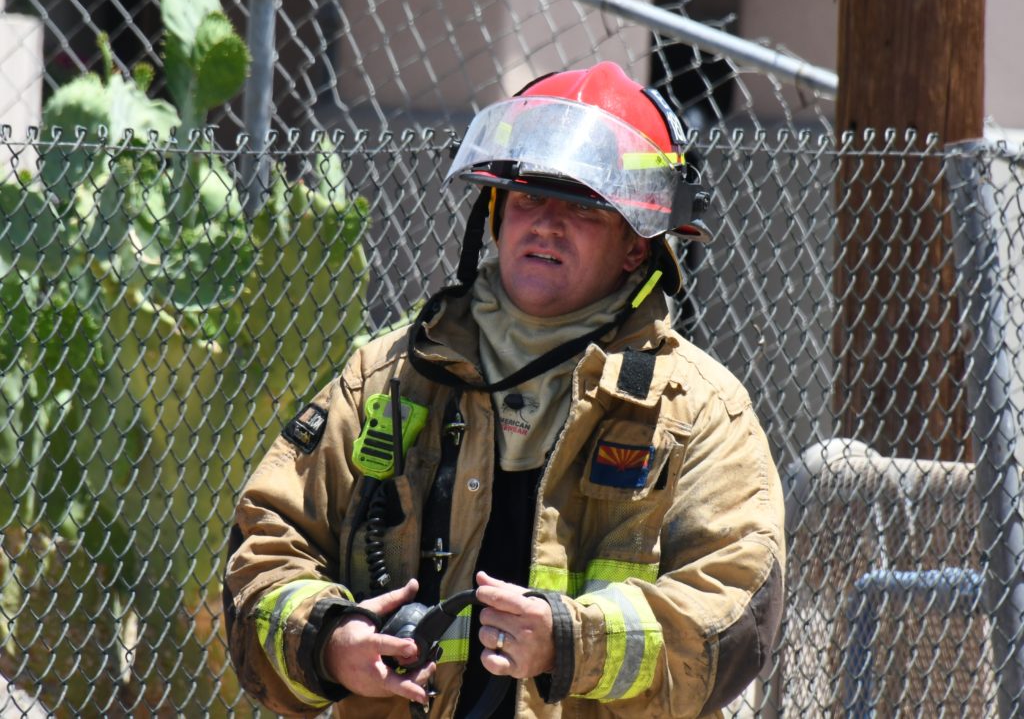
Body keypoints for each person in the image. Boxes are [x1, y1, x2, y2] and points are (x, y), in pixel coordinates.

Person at [223, 61, 786, 719]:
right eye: (527, 199)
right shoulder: (390, 376)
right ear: (495, 217)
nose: (546, 224)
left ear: (637, 246)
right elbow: (266, 545)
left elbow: (733, 616)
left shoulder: (697, 411)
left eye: (582, 207)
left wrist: (572, 642)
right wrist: (330, 641)